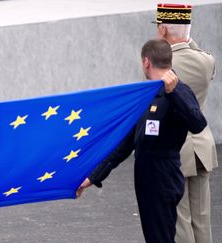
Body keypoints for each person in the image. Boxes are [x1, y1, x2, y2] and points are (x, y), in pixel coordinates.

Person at [76, 39, 207, 243]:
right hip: (147, 180)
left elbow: (198, 123)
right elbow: (125, 144)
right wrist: (92, 177)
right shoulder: (148, 95)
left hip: (163, 177)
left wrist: (175, 92)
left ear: (146, 62)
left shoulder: (179, 90)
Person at [154, 3, 218, 243]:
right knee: (202, 218)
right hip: (201, 145)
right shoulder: (206, 61)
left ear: (162, 30)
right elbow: (196, 50)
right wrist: (185, 37)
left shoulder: (162, 67)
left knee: (180, 220)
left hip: (176, 149)